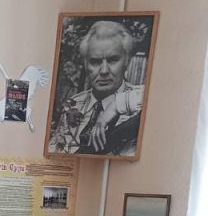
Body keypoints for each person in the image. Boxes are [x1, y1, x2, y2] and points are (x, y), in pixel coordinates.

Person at [49, 19, 144, 156]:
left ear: (127, 61)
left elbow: (163, 97)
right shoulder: (74, 103)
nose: (104, 71)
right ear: (86, 64)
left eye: (112, 60)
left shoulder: (138, 104)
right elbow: (56, 150)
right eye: (95, 61)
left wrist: (117, 105)